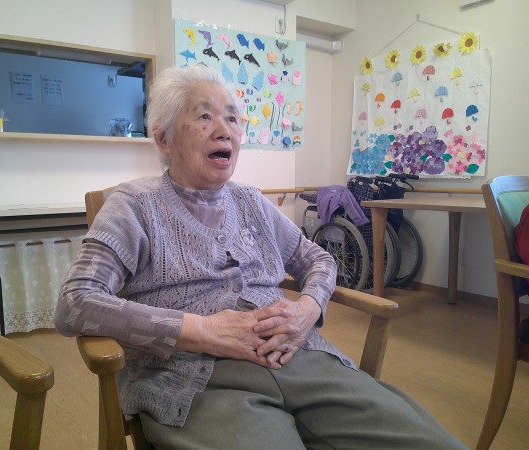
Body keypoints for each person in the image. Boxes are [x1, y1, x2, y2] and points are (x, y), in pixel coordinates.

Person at [55, 65, 465, 449]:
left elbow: (319, 259)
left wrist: (306, 310)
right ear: (164, 138)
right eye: (204, 117)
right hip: (194, 379)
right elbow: (75, 302)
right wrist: (204, 330)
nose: (225, 131)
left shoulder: (249, 200)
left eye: (233, 119)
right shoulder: (134, 205)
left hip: (299, 356)